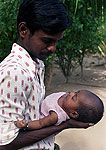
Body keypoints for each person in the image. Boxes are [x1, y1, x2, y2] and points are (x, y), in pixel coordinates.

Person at [0, 0, 95, 150]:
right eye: (47, 40)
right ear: (23, 30)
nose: (52, 48)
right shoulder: (14, 73)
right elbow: (5, 143)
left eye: (57, 41)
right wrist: (64, 125)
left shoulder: (36, 64)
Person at [14, 90, 104, 130]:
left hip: (32, 119)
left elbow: (40, 123)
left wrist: (26, 125)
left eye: (73, 97)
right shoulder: (65, 99)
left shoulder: (56, 115)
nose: (71, 93)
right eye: (76, 92)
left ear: (73, 114)